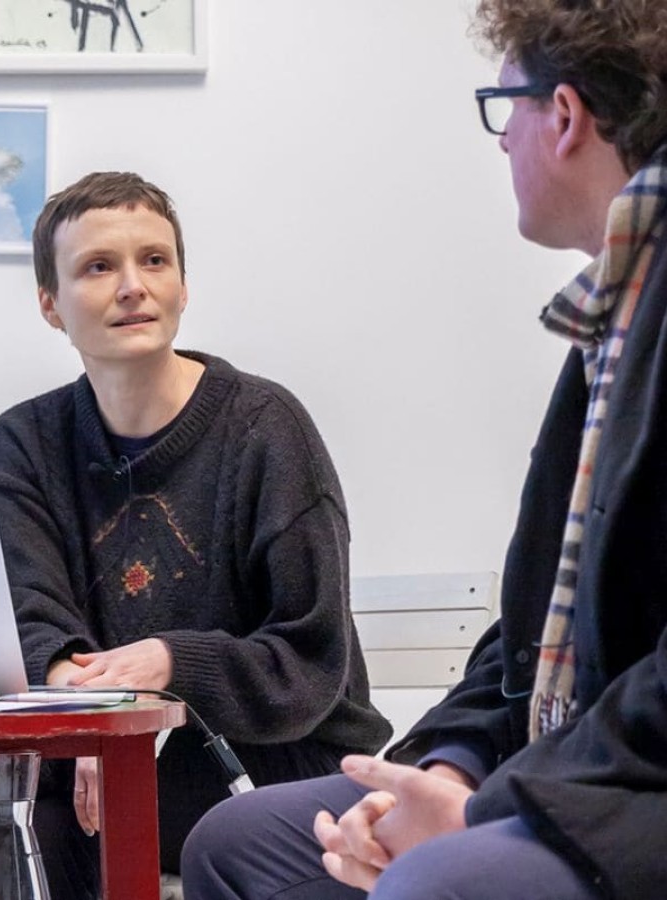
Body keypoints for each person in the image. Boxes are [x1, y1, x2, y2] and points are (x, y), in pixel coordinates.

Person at [181, 2, 667, 898]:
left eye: (504, 106)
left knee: (434, 880)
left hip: (633, 790)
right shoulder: (607, 319)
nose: (500, 140)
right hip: (562, 769)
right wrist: (447, 769)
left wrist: (498, 803)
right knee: (239, 843)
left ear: (562, 117)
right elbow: (529, 638)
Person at [0, 171, 392, 899]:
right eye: (99, 267)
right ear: (49, 305)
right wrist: (95, 722)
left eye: (154, 261)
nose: (132, 286)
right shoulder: (22, 446)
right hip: (99, 759)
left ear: (183, 287)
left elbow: (310, 663)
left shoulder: (266, 430)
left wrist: (165, 663)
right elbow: (32, 622)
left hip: (272, 758)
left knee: (30, 800)